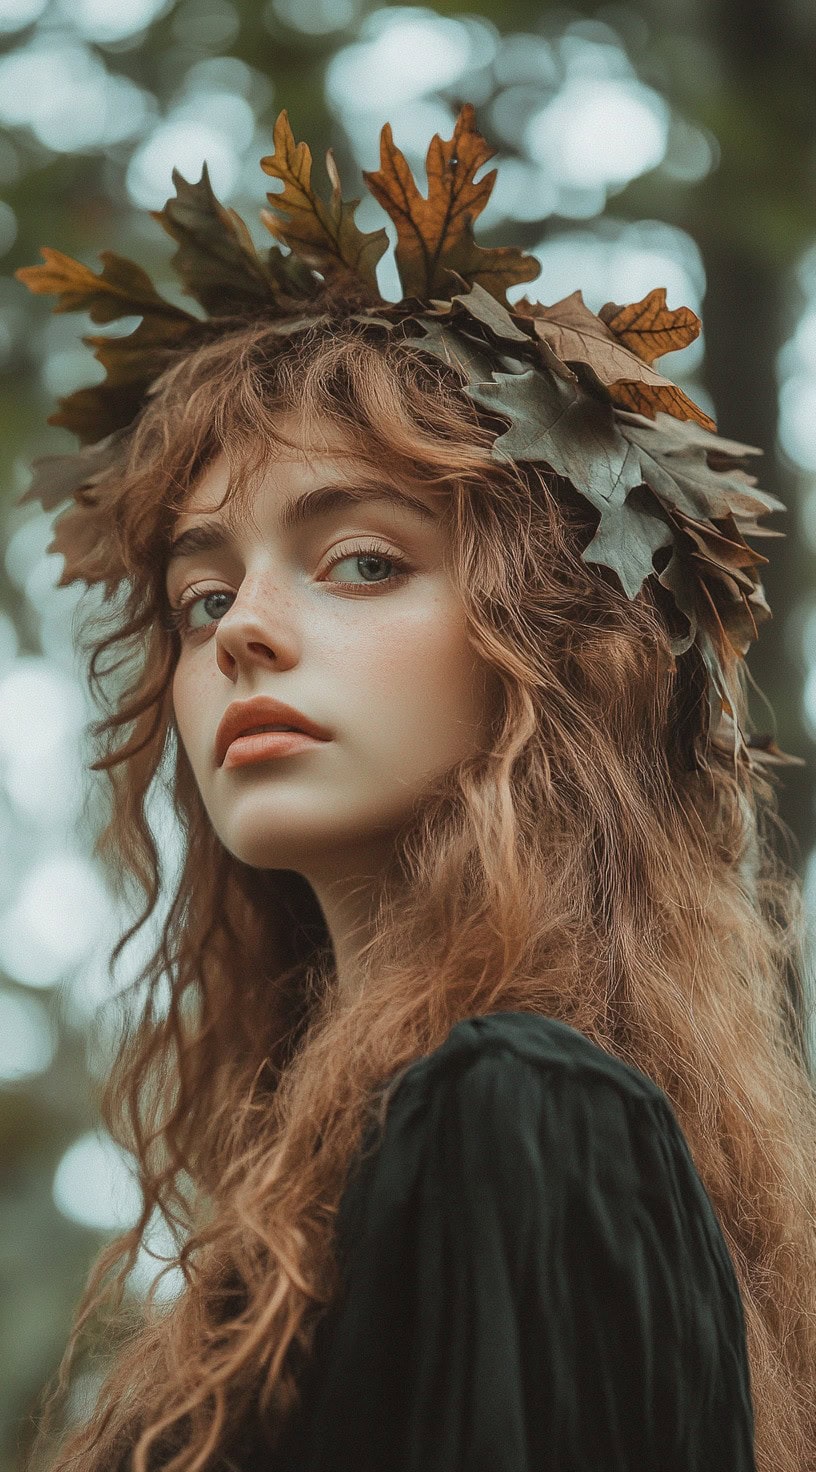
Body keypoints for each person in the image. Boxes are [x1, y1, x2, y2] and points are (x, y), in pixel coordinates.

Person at [15, 106, 816, 1472]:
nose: (239, 631)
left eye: (363, 561)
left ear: (557, 650)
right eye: (203, 593)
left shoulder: (525, 1114)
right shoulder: (318, 1195)